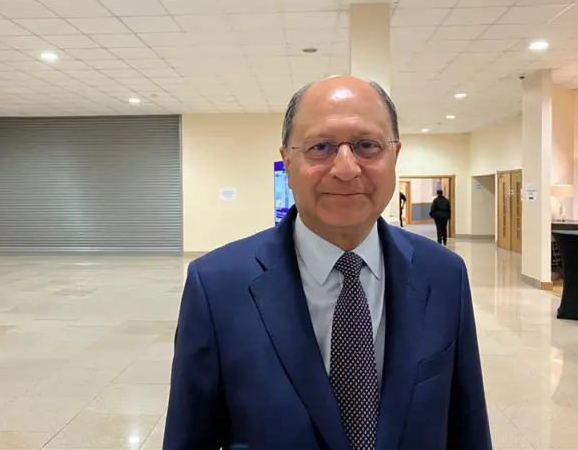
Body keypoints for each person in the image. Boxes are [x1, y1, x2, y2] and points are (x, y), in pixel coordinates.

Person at [163, 76, 492, 450]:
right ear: (287, 162)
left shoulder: (444, 274)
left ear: (395, 156)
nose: (347, 168)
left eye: (367, 145)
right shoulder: (217, 286)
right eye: (321, 147)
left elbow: (468, 430)